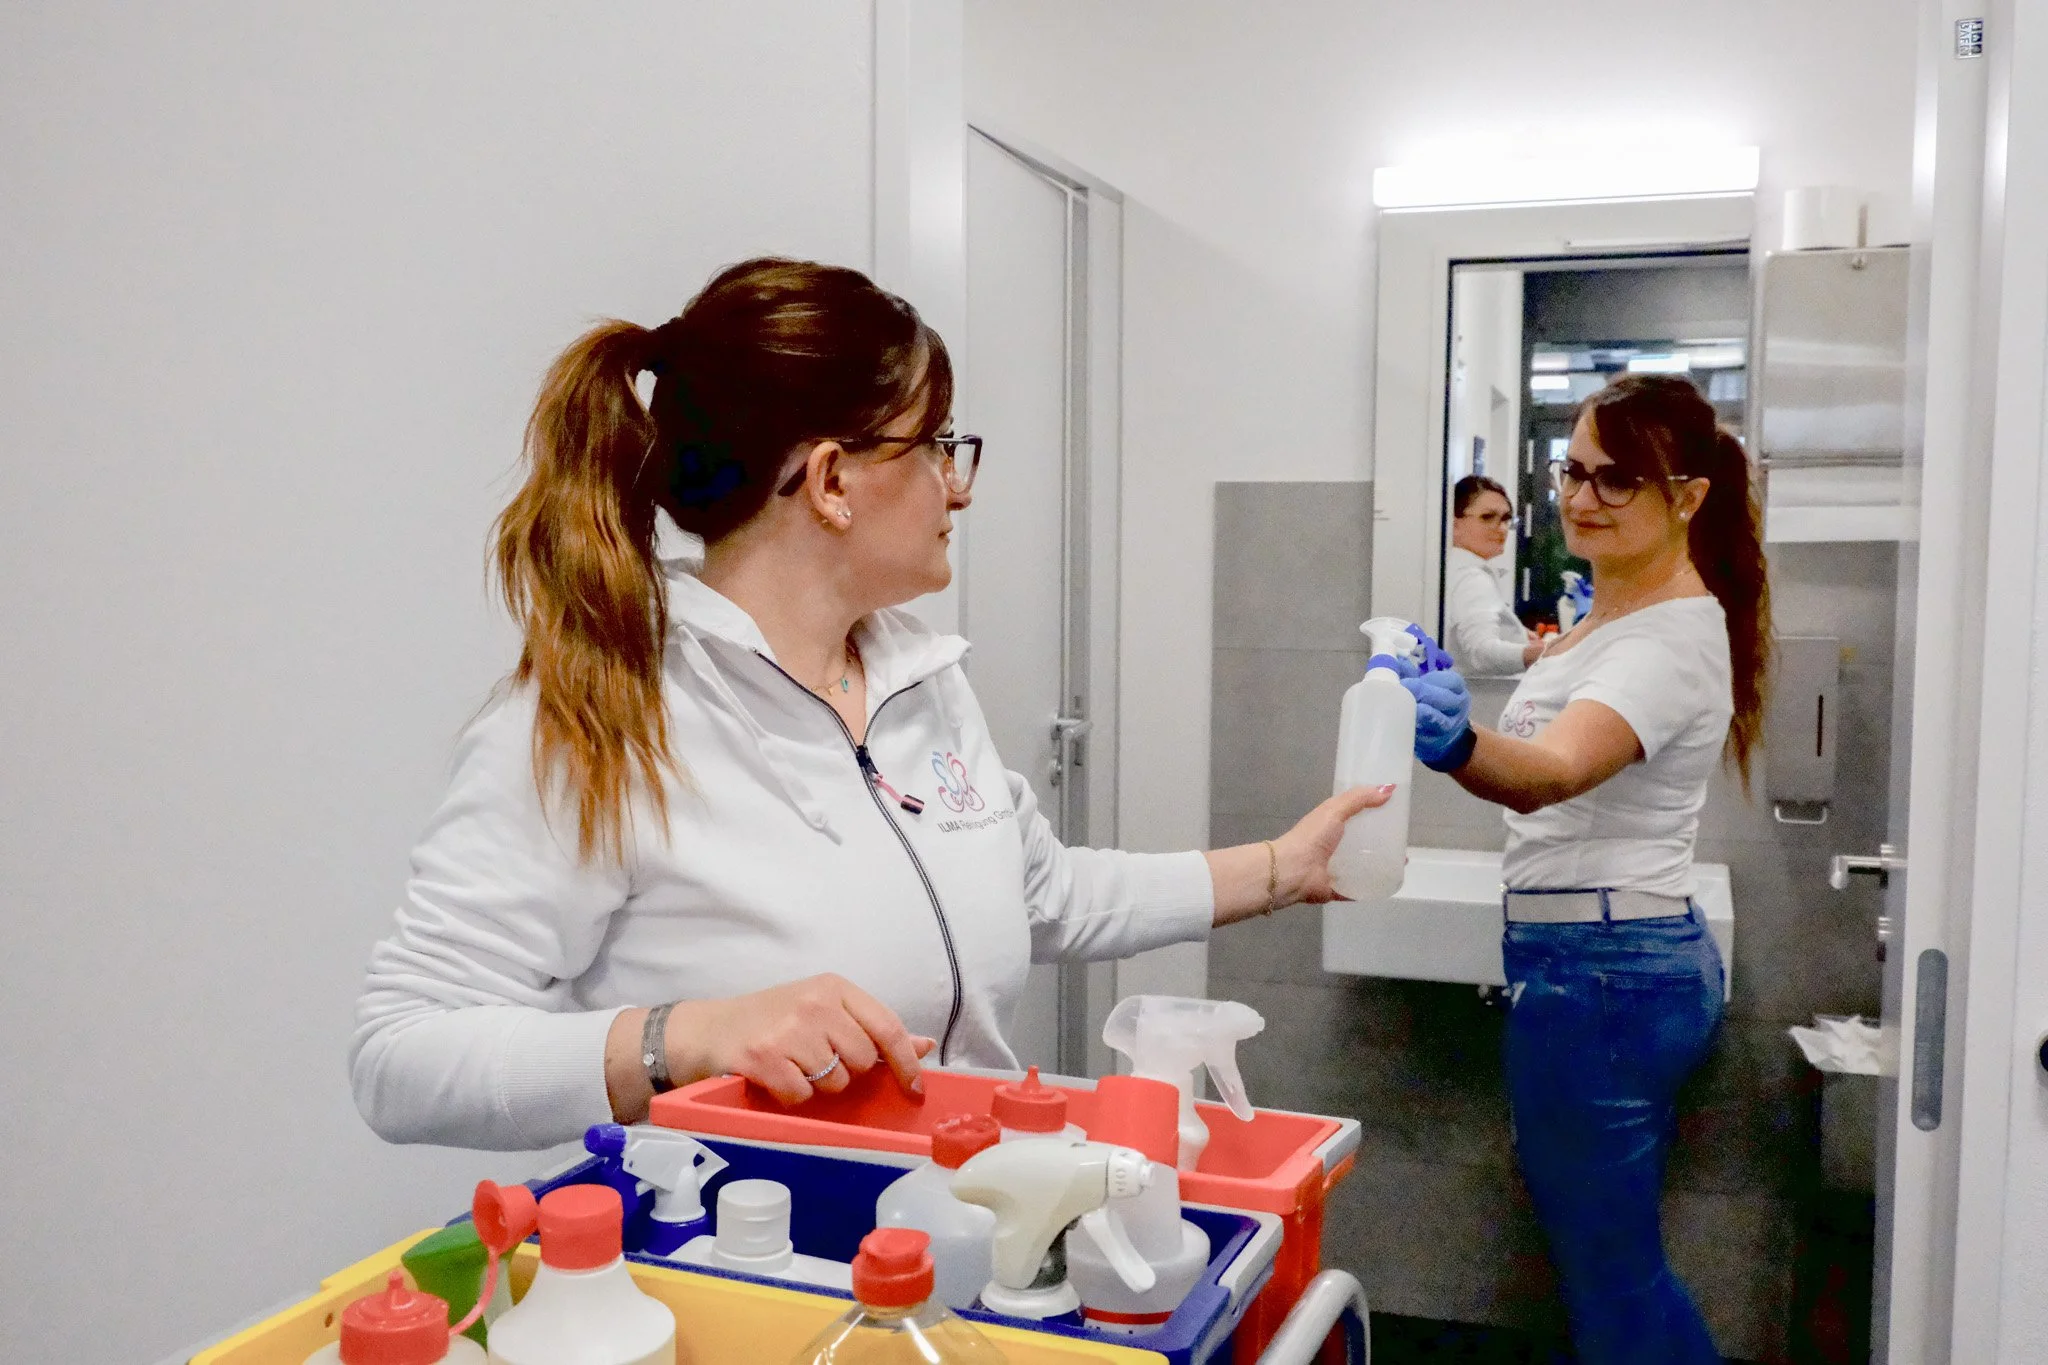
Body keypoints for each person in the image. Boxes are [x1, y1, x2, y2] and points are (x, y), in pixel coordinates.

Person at [350, 257, 1387, 1151]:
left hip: (950, 1239)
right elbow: (402, 1054)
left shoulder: (917, 680)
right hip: (741, 1276)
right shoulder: (598, 718)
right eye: (935, 444)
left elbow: (1045, 895)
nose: (959, 485)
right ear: (834, 480)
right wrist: (684, 1037)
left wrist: (1278, 871)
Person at [1398, 375, 1770, 1363]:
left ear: (1684, 497)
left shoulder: (1665, 639)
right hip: (1602, 957)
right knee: (1598, 1262)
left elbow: (1552, 772)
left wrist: (1453, 744)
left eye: (1617, 480)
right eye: (1573, 470)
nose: (1580, 498)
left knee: (1613, 1274)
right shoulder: (1607, 622)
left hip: (1602, 970)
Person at [1443, 475, 1542, 674]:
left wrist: (1519, 635)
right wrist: (1546, 652)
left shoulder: (1452, 570)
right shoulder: (1471, 579)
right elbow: (1481, 653)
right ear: (1454, 524)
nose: (1502, 528)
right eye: (1487, 517)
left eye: (1506, 519)